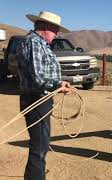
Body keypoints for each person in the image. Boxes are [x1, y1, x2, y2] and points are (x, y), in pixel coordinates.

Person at [16, 11, 72, 180]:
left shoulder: (37, 43)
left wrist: (58, 83)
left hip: (39, 99)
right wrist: (58, 84)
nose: (57, 34)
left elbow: (40, 74)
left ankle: (34, 175)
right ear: (46, 27)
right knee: (39, 147)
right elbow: (39, 77)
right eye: (56, 30)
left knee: (40, 144)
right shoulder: (34, 43)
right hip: (36, 100)